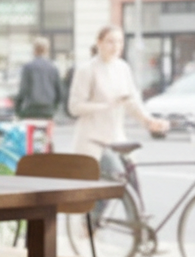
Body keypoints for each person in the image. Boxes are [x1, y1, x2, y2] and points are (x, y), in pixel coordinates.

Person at [69, 25, 168, 170]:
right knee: (110, 184)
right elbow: (74, 107)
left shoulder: (123, 68)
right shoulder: (87, 70)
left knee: (131, 185)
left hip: (117, 139)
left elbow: (133, 102)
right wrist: (105, 105)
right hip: (92, 142)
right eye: (110, 41)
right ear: (99, 42)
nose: (116, 46)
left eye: (119, 42)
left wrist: (149, 121)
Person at [15, 37, 63, 119]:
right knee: (46, 131)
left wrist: (18, 109)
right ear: (47, 50)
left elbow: (23, 90)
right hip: (48, 109)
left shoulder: (28, 67)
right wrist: (54, 107)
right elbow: (59, 91)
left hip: (31, 109)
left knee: (30, 130)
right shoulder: (53, 68)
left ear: (34, 50)